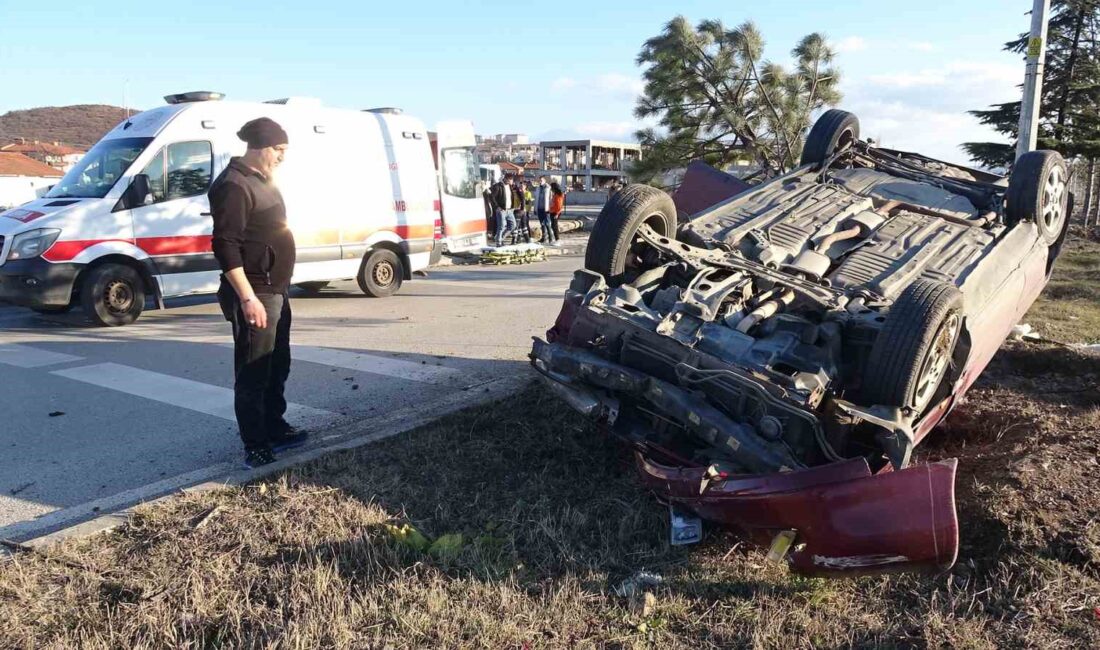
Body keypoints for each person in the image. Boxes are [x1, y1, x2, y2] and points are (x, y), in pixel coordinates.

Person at [210, 117, 307, 469]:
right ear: (261, 147)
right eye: (279, 150)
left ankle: (275, 426)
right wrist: (248, 298)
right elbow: (225, 245)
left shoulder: (263, 179)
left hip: (275, 288)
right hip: (256, 290)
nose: (282, 157)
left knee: (277, 363)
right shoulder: (234, 185)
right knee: (253, 370)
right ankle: (256, 444)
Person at [491, 175, 518, 246]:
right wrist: (497, 207)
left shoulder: (510, 186)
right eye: (510, 180)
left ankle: (500, 238)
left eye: (512, 180)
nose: (512, 181)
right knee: (501, 226)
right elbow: (492, 197)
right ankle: (498, 242)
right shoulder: (498, 186)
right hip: (502, 210)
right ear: (506, 179)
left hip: (510, 210)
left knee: (513, 225)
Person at [534, 176, 555, 244]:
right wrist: (535, 209)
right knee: (542, 224)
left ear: (545, 180)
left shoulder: (548, 188)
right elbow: (536, 199)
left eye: (541, 180)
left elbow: (551, 199)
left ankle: (551, 238)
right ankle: (544, 238)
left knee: (548, 223)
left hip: (546, 209)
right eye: (539, 180)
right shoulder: (538, 188)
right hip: (539, 208)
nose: (540, 181)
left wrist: (550, 208)